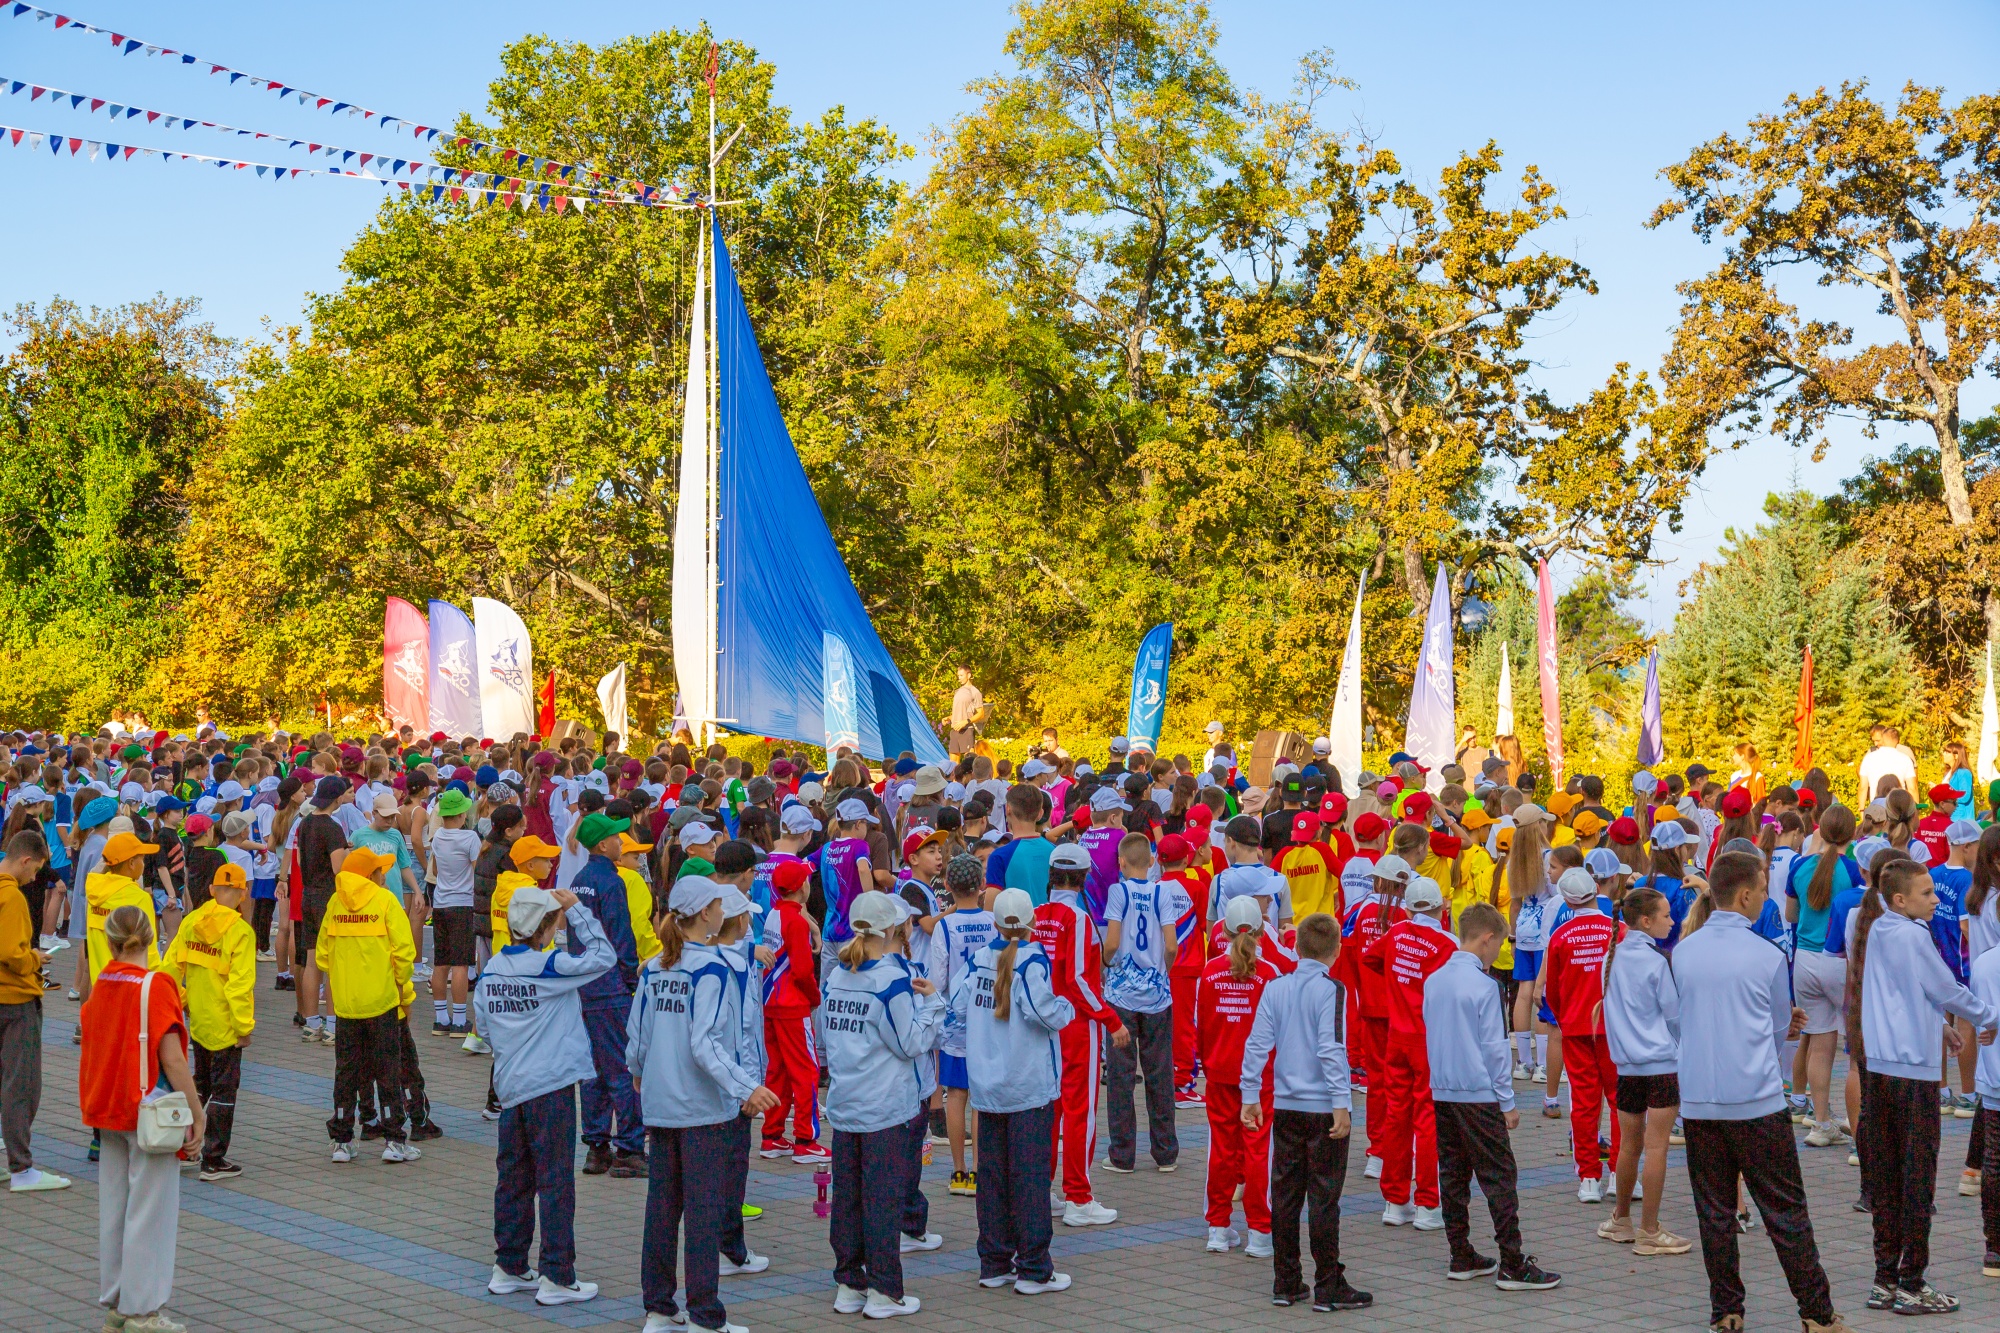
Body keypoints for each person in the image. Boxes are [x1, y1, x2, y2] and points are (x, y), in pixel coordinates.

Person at [1675, 850, 1848, 1333]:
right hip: (1754, 1099)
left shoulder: (1684, 950)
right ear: (1748, 894)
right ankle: (1817, 1313)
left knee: (1714, 1213)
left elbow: (1679, 1019)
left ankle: (1726, 1311)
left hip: (1701, 1100)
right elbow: (1776, 1027)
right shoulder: (1768, 954)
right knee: (1786, 1212)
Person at [1852, 854, 1998, 1314]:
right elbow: (1944, 987)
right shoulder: (1914, 935)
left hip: (1880, 1068)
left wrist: (1938, 1025)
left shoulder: (1877, 929)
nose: (1936, 900)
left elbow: (1901, 992)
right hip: (1914, 1076)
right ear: (1900, 899)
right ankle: (1912, 1283)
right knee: (1917, 1179)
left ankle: (1883, 1280)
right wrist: (1987, 1015)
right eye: (1927, 893)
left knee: (1886, 1176)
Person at [629, 876, 776, 1333]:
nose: (721, 909)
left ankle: (658, 1308)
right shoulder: (711, 969)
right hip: (702, 1108)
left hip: (662, 1103)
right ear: (706, 914)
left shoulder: (656, 966)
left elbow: (637, 1039)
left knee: (662, 1208)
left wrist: (642, 1077)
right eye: (717, 903)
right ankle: (706, 1317)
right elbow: (707, 1044)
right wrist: (745, 1086)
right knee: (703, 1213)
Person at [476, 882, 615, 1308]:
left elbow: (483, 1029)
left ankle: (510, 1266)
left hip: (512, 1087)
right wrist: (577, 910)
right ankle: (557, 1274)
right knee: (555, 1180)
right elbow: (604, 958)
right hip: (550, 1088)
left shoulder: (493, 968)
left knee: (513, 1179)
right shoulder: (549, 966)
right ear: (544, 929)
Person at [821, 890, 944, 1319]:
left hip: (846, 1104)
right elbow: (911, 1043)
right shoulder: (891, 982)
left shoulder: (836, 976)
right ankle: (884, 1292)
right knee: (882, 1200)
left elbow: (829, 1038)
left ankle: (849, 1283)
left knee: (848, 1198)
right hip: (884, 1108)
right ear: (891, 929)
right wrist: (932, 1004)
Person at [1426, 901, 1561, 1291]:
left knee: (1452, 1172)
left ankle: (1459, 1252)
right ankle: (1512, 1262)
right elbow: (1494, 1049)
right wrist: (1508, 1103)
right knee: (1500, 1175)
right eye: (1497, 945)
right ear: (1487, 940)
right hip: (1478, 1093)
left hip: (1444, 1091)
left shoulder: (1434, 980)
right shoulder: (1486, 986)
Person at [81, 903, 203, 1333]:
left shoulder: (103, 982)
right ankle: (142, 1310)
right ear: (150, 937)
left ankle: (117, 1299)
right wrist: (196, 1111)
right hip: (148, 1110)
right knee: (150, 1210)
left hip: (106, 1106)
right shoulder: (157, 985)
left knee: (115, 1208)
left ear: (109, 940)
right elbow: (172, 1057)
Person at [1240, 911, 1369, 1310]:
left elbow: (1257, 1042)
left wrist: (1249, 1094)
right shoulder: (1332, 989)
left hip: (1285, 1104)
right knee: (1325, 1197)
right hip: (1321, 1107)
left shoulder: (1276, 987)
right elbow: (1332, 1048)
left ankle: (1286, 1280)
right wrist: (1341, 1103)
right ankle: (1328, 1284)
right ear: (1337, 951)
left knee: (1286, 1195)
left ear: (1295, 948)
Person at [947, 887, 1074, 1293]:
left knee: (994, 1177)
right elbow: (1042, 1011)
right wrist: (1066, 1009)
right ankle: (1034, 1268)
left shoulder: (977, 960)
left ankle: (995, 1262)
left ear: (996, 922)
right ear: (1031, 922)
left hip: (986, 1087)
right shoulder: (1032, 960)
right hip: (1028, 1086)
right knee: (1031, 1179)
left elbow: (955, 1004)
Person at [1034, 842, 1129, 1226]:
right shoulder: (1078, 919)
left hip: (1043, 1026)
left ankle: (1046, 1189)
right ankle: (1078, 1197)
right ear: (1084, 877)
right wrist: (1110, 1019)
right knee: (1080, 1112)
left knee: (1051, 1111)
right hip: (1076, 1026)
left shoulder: (1038, 914)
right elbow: (1076, 979)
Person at [1597, 886, 1691, 1255]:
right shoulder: (1657, 961)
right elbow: (1674, 1015)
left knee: (1629, 1145)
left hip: (1627, 1065)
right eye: (1666, 916)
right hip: (1660, 1064)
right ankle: (1649, 1230)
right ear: (1646, 921)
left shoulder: (1612, 957)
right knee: (1656, 1147)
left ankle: (1621, 1219)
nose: (1672, 921)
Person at [1361, 873, 1456, 1228]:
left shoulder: (1396, 933)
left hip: (1397, 1037)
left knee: (1396, 1117)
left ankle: (1395, 1200)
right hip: (1428, 1040)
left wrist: (1395, 982)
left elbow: (1371, 958)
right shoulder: (1446, 943)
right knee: (1428, 1121)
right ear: (1438, 906)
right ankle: (1429, 1204)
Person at [316, 845, 420, 1162]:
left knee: (346, 1073)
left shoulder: (336, 903)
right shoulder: (386, 901)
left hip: (347, 1005)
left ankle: (343, 1141)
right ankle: (394, 1141)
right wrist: (405, 992)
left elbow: (322, 956)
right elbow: (404, 954)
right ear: (371, 875)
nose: (384, 874)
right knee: (388, 1071)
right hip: (383, 1002)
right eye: (380, 870)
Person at [159, 861, 256, 1181]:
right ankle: (214, 1158)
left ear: (212, 890)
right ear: (243, 894)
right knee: (225, 1092)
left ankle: (187, 1147)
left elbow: (172, 969)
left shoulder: (192, 921)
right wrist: (243, 1028)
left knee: (198, 1085)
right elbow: (239, 985)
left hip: (198, 1020)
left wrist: (181, 1004)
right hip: (226, 1024)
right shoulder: (241, 932)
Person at [1198, 896, 1282, 1253]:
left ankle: (1218, 1227)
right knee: (1257, 1150)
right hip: (1260, 1078)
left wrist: (1210, 1063)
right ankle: (1260, 1232)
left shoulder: (1209, 971)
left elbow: (1199, 1026)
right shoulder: (1271, 975)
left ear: (1225, 930)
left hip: (1219, 1071)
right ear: (1264, 931)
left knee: (1221, 1149)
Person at [566, 810, 646, 1178]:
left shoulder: (580, 879)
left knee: (594, 1068)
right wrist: (629, 979)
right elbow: (621, 937)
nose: (622, 841)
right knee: (622, 1068)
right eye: (617, 837)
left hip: (585, 984)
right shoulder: (611, 883)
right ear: (603, 844)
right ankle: (629, 1148)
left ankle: (595, 1147)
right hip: (612, 985)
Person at [1101, 832, 1185, 1174]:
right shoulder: (1162, 892)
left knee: (1121, 1076)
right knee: (1159, 1071)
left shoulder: (1117, 891)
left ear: (1121, 862)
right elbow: (1171, 944)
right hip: (1156, 996)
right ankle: (1165, 1152)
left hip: (1121, 997)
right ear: (1152, 861)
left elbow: (1112, 941)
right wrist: (1163, 972)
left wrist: (1109, 965)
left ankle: (1122, 1154)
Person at [1541, 867, 1621, 1202]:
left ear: (1567, 899)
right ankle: (1621, 1173)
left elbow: (1553, 992)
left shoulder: (1560, 936)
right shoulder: (1619, 930)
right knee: (1621, 1103)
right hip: (1614, 1028)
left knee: (1585, 1104)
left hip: (1576, 1029)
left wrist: (1566, 1019)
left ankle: (1589, 1177)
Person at [1783, 804, 1860, 1146]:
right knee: (1856, 1047)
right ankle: (1862, 1127)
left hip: (1804, 960)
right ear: (1853, 834)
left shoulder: (1799, 866)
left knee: (1818, 1044)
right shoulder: (1852, 870)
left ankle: (1821, 1122)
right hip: (1837, 960)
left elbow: (1791, 914)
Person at [927, 853, 995, 1193]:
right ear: (981, 885)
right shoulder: (994, 921)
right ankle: (982, 1169)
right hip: (987, 1015)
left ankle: (958, 1172)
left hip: (955, 1019)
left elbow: (937, 979)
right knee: (981, 1096)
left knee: (957, 1093)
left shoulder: (944, 926)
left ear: (949, 887)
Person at [1, 828, 64, 1192]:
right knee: (21, 1087)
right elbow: (10, 952)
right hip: (15, 1000)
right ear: (26, 859)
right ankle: (22, 1169)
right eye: (36, 869)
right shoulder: (11, 897)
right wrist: (34, 958)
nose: (35, 877)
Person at [760, 858, 826, 1165]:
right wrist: (815, 997)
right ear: (802, 887)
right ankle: (805, 1138)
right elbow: (802, 971)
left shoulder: (774, 914)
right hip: (794, 1003)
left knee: (778, 1071)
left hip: (771, 1000)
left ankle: (772, 1135)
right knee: (806, 1071)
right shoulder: (797, 922)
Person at [427, 787, 483, 1038]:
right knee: (461, 964)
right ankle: (460, 1019)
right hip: (463, 904)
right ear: (461, 814)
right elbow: (477, 870)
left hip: (440, 902)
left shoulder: (437, 837)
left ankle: (441, 1017)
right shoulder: (470, 838)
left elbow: (436, 871)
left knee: (441, 962)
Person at [1858, 725, 1917, 802]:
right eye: (1874, 741)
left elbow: (1914, 782)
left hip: (1885, 803)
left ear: (1885, 737)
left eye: (1878, 740)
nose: (1875, 744)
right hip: (1897, 803)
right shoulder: (1871, 752)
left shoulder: (1905, 751)